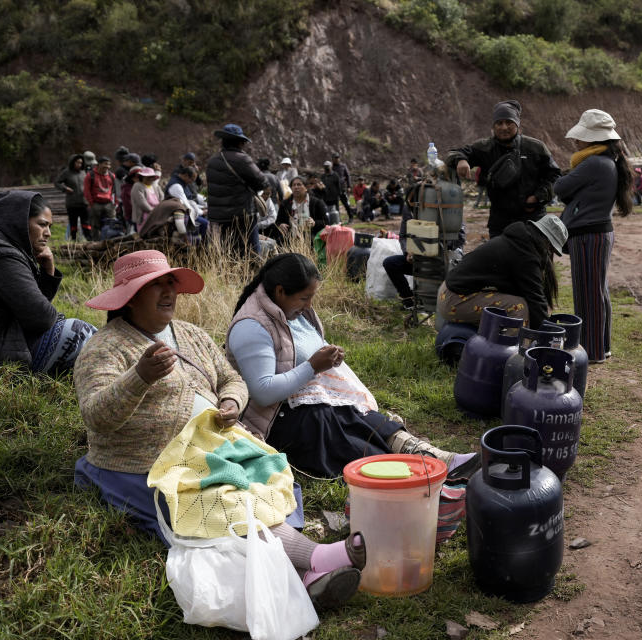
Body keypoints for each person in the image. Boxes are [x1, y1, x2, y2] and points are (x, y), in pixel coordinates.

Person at [73, 250, 365, 608]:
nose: (169, 293)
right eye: (155, 286)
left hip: (211, 445)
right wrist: (140, 377)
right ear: (130, 298)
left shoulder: (190, 335)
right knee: (221, 498)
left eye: (171, 284)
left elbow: (231, 378)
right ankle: (315, 560)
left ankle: (306, 572)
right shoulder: (103, 348)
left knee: (264, 473)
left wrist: (230, 402)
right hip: (148, 462)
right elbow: (96, 415)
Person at [226, 253, 480, 480]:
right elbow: (263, 391)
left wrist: (326, 358)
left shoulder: (289, 311)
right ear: (280, 291)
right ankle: (420, 468)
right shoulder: (252, 327)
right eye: (305, 298)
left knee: (358, 413)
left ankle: (436, 458)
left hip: (302, 400)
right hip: (275, 420)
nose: (309, 306)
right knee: (336, 423)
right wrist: (313, 366)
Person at [0, 191, 96, 372]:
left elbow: (32, 309)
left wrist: (48, 270)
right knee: (78, 332)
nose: (48, 233)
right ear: (19, 222)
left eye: (49, 226)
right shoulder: (1, 256)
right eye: (42, 225)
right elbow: (41, 317)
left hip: (2, 338)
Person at [553, 109, 634, 364]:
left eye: (581, 136)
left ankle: (591, 352)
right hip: (597, 233)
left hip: (588, 235)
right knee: (598, 292)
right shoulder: (606, 160)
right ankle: (602, 347)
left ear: (594, 138)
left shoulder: (594, 163)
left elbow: (560, 187)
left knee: (588, 295)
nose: (576, 141)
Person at [446, 100, 561, 238]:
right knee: (500, 259)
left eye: (509, 122)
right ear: (493, 126)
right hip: (500, 224)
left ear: (517, 124)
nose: (504, 127)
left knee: (533, 260)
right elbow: (454, 153)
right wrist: (461, 160)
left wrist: (537, 197)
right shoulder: (484, 147)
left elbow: (555, 176)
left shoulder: (536, 147)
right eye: (499, 123)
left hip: (533, 220)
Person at [437, 215, 566, 330]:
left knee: (516, 301)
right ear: (547, 241)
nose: (550, 253)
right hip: (455, 300)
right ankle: (511, 352)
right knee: (519, 307)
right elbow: (535, 299)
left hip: (450, 293)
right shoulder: (525, 255)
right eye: (551, 248)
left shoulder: (519, 242)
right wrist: (546, 333)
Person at [206, 123, 267, 255]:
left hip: (219, 217)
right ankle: (251, 275)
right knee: (252, 253)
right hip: (242, 216)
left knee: (228, 252)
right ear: (239, 142)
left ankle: (230, 275)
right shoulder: (242, 159)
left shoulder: (212, 161)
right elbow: (262, 182)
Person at [276, 176, 327, 245]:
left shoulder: (316, 203)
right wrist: (281, 225)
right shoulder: (285, 204)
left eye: (299, 184)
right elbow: (278, 221)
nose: (296, 187)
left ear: (306, 188)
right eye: (294, 185)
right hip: (290, 238)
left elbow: (325, 222)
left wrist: (314, 223)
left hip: (310, 238)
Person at [164, 166, 209, 240]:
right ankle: (202, 246)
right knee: (206, 224)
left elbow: (188, 200)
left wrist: (201, 208)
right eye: (191, 179)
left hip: (187, 212)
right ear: (185, 175)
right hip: (180, 215)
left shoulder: (182, 183)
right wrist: (201, 212)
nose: (192, 182)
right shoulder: (176, 186)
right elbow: (186, 204)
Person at [54, 153, 90, 241]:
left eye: (81, 163)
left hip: (84, 202)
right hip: (72, 203)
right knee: (73, 223)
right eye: (77, 162)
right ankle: (73, 240)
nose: (79, 164)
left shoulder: (84, 172)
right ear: (72, 162)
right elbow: (57, 182)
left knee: (86, 223)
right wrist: (65, 188)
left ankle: (89, 239)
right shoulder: (66, 172)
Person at [83, 156, 117, 239]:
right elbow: (86, 190)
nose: (107, 166)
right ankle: (96, 242)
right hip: (96, 204)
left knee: (112, 223)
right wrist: (91, 203)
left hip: (108, 203)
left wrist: (115, 202)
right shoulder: (90, 175)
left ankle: (110, 240)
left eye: (109, 164)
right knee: (95, 225)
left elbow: (114, 190)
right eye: (105, 164)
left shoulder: (112, 176)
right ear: (99, 164)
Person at [131, 166, 164, 232]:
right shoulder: (137, 186)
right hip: (144, 217)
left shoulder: (154, 186)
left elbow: (162, 198)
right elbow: (142, 203)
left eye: (151, 177)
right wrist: (153, 212)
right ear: (142, 177)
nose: (150, 179)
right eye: (147, 177)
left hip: (156, 215)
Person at [331, 152, 354, 219]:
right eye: (335, 158)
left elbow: (348, 176)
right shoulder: (331, 168)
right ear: (332, 159)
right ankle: (338, 219)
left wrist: (349, 186)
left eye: (337, 158)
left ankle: (351, 217)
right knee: (336, 205)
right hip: (334, 189)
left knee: (346, 203)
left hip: (342, 188)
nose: (336, 159)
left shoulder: (343, 166)